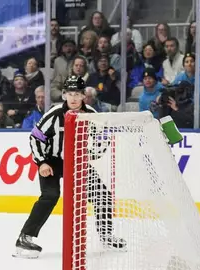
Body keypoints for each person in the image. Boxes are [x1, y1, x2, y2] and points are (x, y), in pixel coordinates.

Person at [14, 75, 126, 258]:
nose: (73, 98)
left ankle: (106, 236)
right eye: (70, 93)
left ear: (84, 96)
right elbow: (36, 137)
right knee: (50, 195)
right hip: (52, 160)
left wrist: (93, 153)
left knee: (102, 194)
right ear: (64, 95)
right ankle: (24, 238)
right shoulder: (54, 113)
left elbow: (103, 136)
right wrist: (42, 162)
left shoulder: (91, 114)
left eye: (78, 94)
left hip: (78, 161)